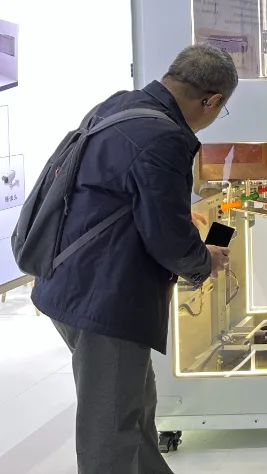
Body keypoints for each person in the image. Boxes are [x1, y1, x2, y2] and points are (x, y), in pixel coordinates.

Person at [32, 45, 236, 474]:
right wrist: (203, 261)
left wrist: (174, 217)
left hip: (68, 279)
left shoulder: (118, 106)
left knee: (136, 408)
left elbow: (117, 197)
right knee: (111, 430)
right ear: (212, 101)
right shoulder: (166, 137)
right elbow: (167, 238)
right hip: (106, 298)